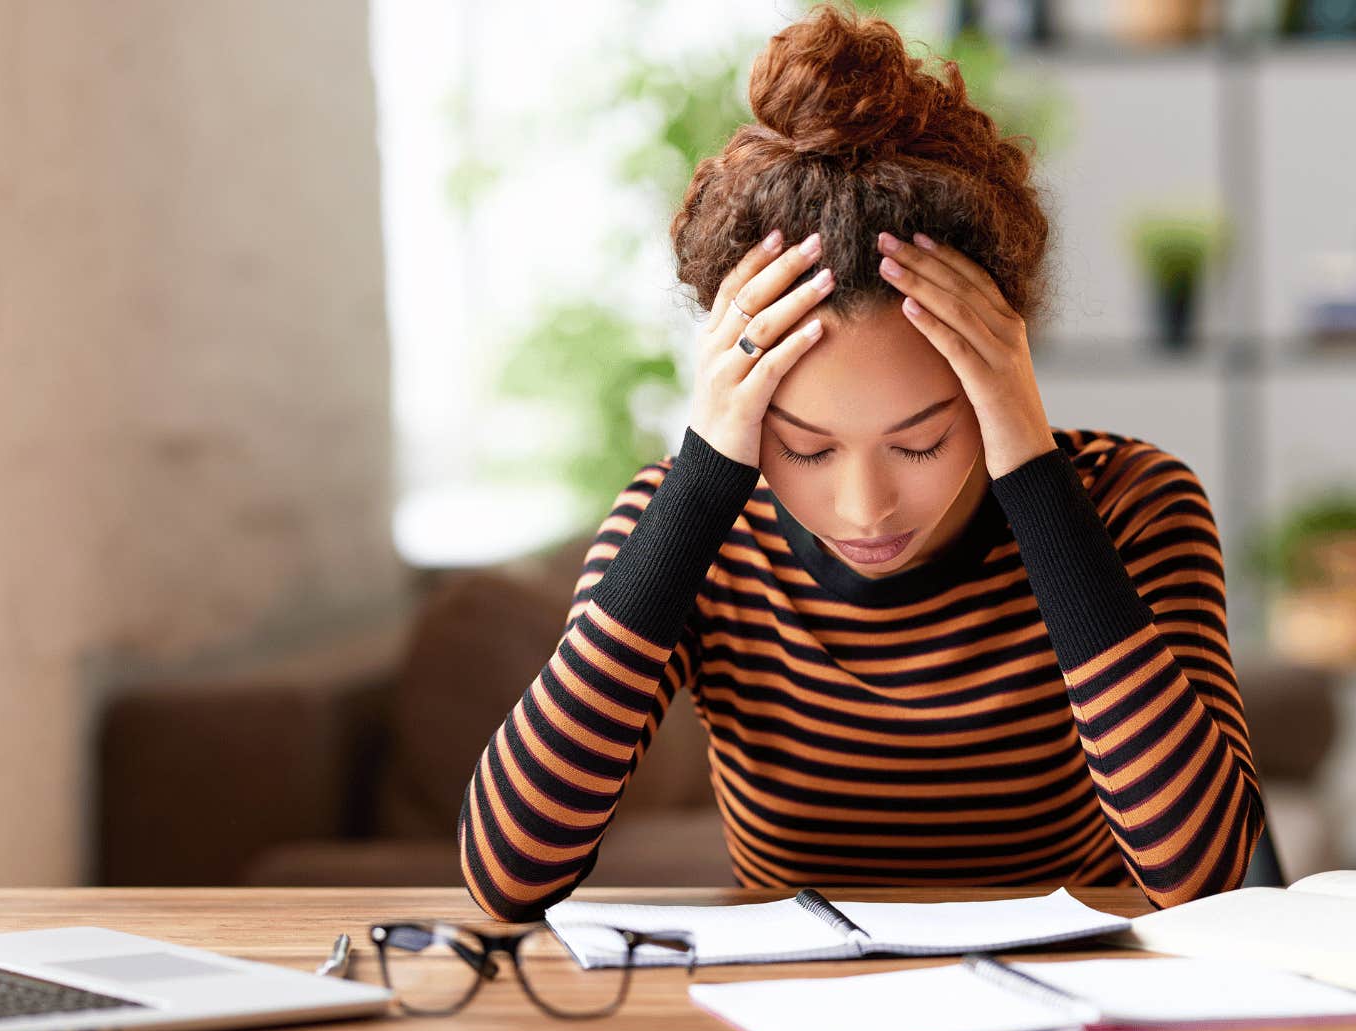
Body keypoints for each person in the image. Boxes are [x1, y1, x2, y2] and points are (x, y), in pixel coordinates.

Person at [458, 2, 1264, 922]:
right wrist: (701, 479)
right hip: (788, 1004)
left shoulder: (1133, 505)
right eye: (806, 447)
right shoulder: (686, 528)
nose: (865, 506)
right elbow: (509, 874)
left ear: (1001, 376)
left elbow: (1202, 877)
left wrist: (1032, 472)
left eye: (921, 441)